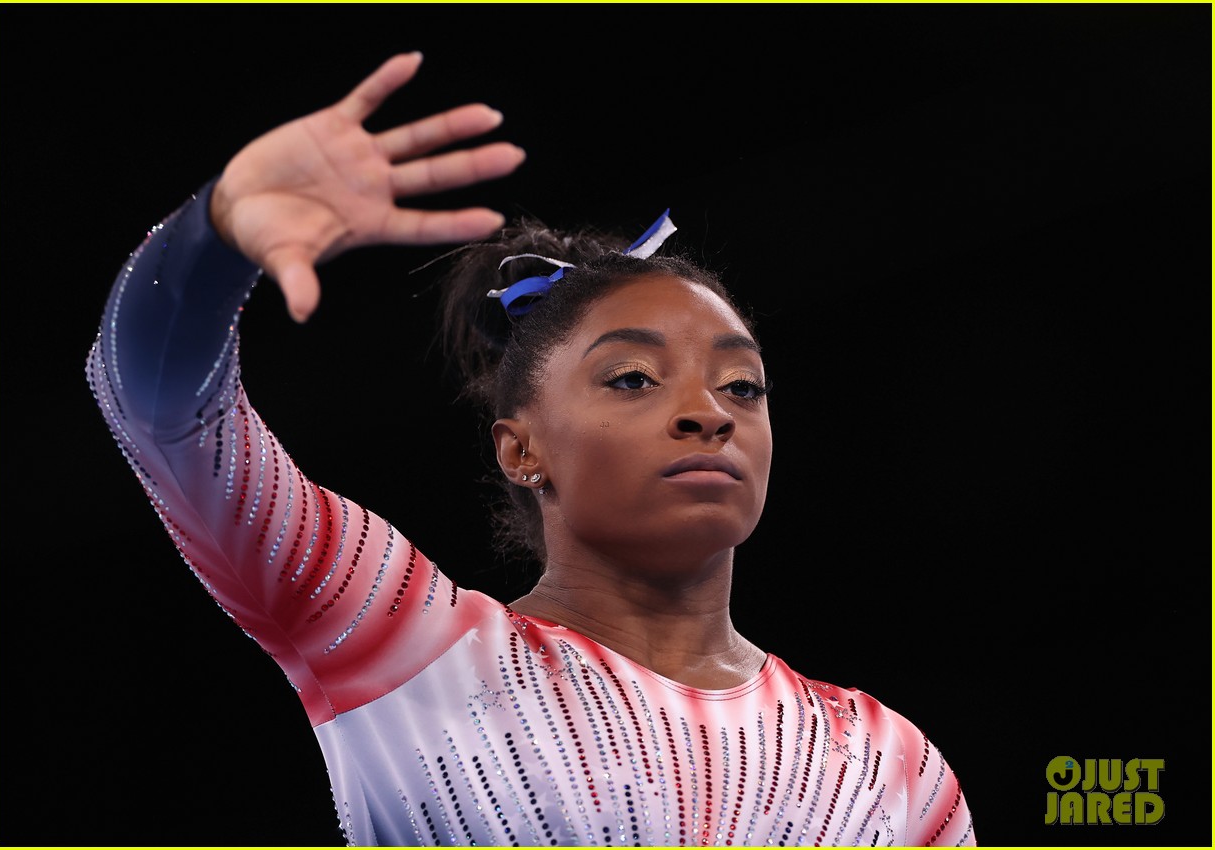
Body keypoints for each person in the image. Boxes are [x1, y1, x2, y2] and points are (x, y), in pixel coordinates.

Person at [87, 52, 976, 847]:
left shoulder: (890, 766)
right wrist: (215, 237)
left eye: (742, 386)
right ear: (522, 451)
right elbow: (165, 415)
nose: (709, 413)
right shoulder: (409, 647)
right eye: (633, 378)